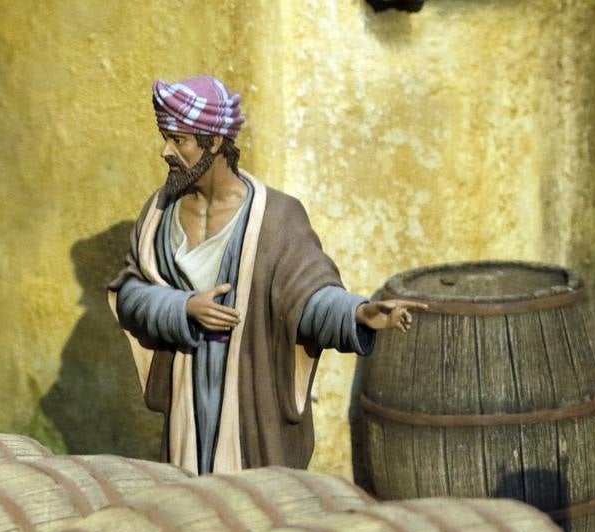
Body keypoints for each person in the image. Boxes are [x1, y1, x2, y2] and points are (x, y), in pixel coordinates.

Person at [110, 75, 425, 474]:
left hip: (251, 403)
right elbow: (129, 295)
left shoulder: (275, 218)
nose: (165, 151)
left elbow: (306, 299)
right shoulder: (159, 213)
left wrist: (357, 313)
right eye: (165, 137)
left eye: (179, 140)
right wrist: (182, 307)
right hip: (185, 403)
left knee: (253, 506)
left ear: (216, 142)